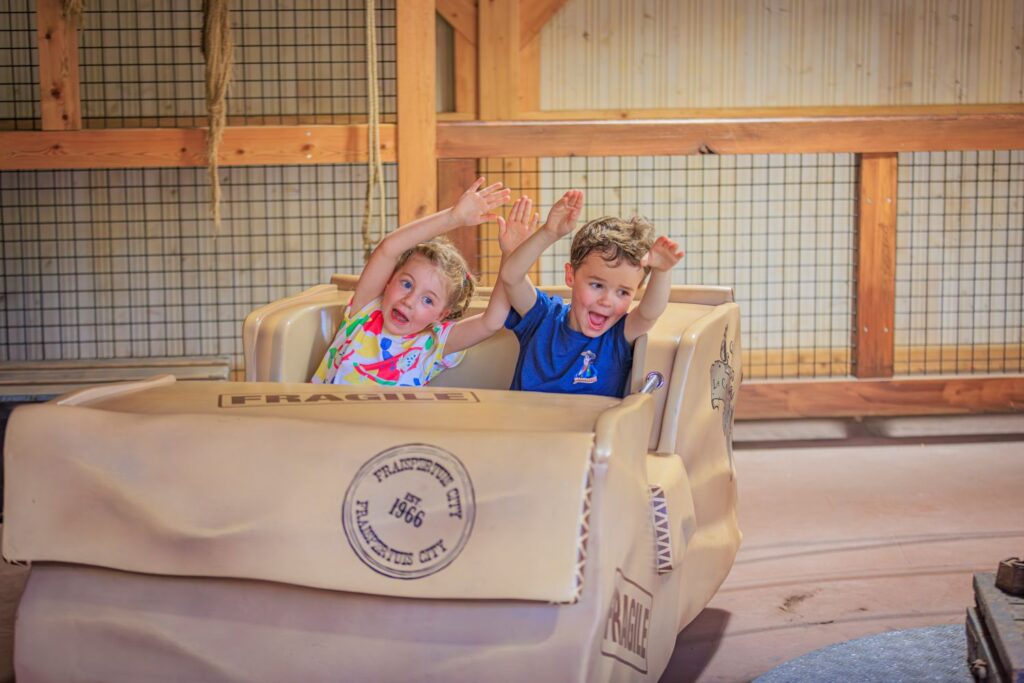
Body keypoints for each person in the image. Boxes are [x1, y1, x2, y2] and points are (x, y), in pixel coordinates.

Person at [310, 178, 513, 387]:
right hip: (328, 408)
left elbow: (491, 322)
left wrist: (510, 253)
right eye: (407, 284)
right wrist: (452, 218)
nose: (409, 301)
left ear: (441, 315)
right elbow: (387, 249)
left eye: (428, 300)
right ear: (389, 281)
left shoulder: (433, 344)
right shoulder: (365, 310)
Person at [498, 190, 684, 397]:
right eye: (597, 285)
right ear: (571, 275)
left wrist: (662, 271)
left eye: (623, 292)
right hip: (526, 417)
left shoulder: (618, 336)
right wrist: (549, 233)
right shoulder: (542, 317)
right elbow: (511, 277)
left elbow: (650, 312)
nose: (607, 301)